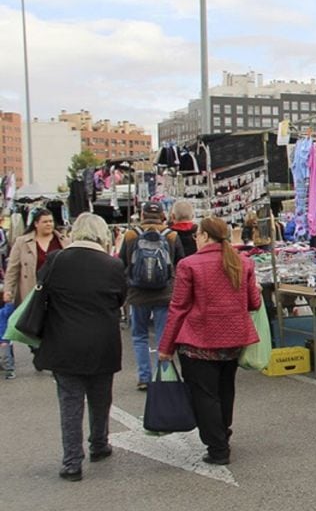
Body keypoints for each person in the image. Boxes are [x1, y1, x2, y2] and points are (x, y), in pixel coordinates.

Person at [158, 217, 260, 465]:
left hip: (198, 341)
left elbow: (178, 308)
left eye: (197, 235)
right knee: (225, 390)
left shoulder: (189, 265)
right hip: (234, 339)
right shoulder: (243, 262)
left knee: (204, 395)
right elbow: (254, 303)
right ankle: (222, 435)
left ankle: (218, 447)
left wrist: (165, 347)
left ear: (204, 236)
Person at [34, 213, 126, 481]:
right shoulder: (112, 265)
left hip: (64, 341)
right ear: (101, 235)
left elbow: (43, 293)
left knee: (70, 403)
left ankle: (72, 462)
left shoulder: (56, 260)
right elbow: (120, 298)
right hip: (102, 341)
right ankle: (99, 444)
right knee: (101, 397)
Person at [119, 202, 185, 390]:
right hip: (164, 293)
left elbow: (122, 263)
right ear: (163, 215)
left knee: (139, 336)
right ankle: (163, 375)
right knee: (163, 336)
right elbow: (181, 264)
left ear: (142, 214)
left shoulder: (131, 234)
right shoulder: (171, 235)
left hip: (137, 293)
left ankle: (144, 377)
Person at [3, 208, 69, 377]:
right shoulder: (22, 242)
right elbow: (13, 268)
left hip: (57, 291)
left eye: (51, 221)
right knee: (34, 323)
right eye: (45, 221)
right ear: (36, 224)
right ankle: (36, 349)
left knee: (55, 324)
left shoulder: (63, 240)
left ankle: (48, 355)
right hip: (33, 290)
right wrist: (8, 290)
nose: (49, 225)